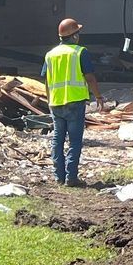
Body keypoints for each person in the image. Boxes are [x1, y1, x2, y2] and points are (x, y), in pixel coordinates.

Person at [42, 16, 91, 185]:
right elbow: (90, 77)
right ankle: (71, 177)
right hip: (75, 102)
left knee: (57, 140)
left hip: (55, 103)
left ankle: (59, 176)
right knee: (75, 141)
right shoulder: (80, 52)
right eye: (78, 32)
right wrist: (98, 96)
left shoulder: (50, 55)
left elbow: (47, 81)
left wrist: (49, 100)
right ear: (74, 36)